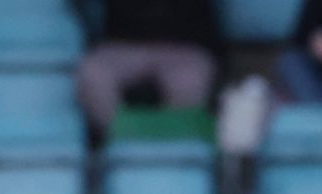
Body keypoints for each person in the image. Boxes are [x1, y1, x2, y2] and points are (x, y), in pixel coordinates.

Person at [75, 0, 222, 132]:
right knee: (93, 72)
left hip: (184, 46)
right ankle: (124, 139)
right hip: (122, 44)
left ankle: (173, 142)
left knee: (190, 79)